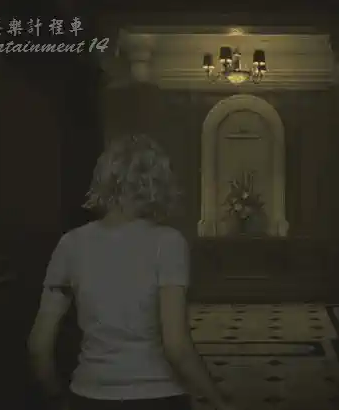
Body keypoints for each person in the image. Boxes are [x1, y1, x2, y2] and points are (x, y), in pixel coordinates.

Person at [27, 135, 238, 410]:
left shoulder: (71, 244)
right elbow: (176, 346)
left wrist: (56, 396)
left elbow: (38, 345)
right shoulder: (167, 243)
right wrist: (218, 402)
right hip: (157, 396)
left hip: (89, 394)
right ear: (156, 184)